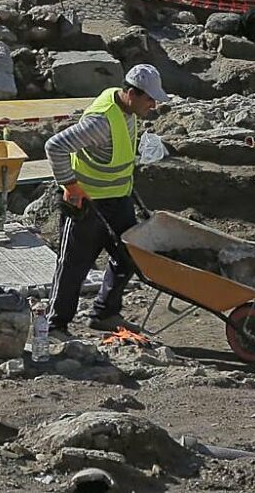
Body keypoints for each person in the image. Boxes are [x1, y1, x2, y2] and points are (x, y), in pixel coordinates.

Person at [44, 64, 168, 334]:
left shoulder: (129, 110)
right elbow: (55, 146)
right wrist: (70, 186)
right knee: (73, 267)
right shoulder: (100, 123)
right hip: (87, 204)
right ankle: (55, 326)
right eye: (150, 99)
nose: (154, 105)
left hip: (118, 200)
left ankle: (104, 313)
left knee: (130, 256)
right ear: (131, 94)